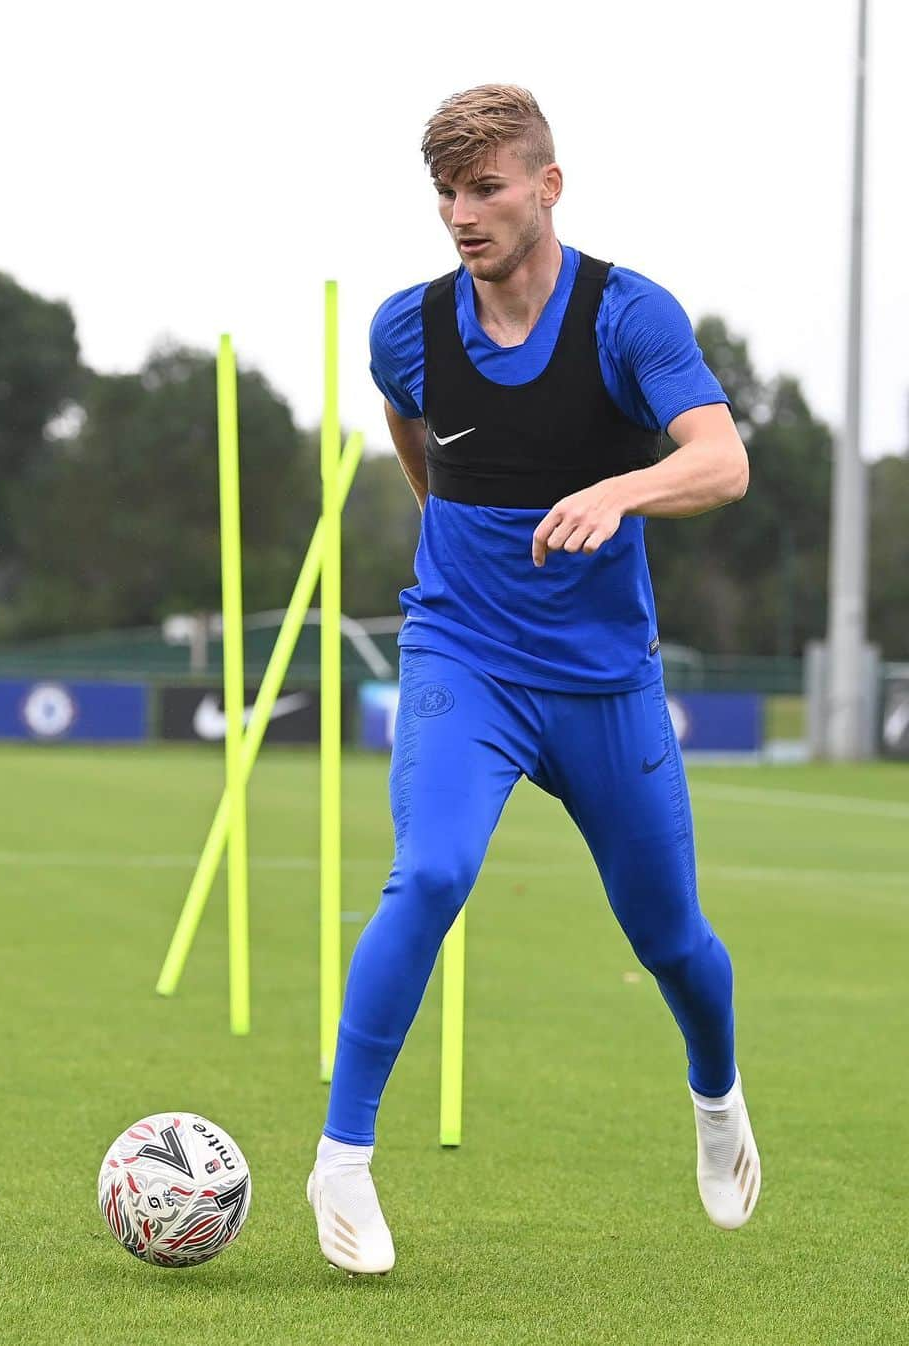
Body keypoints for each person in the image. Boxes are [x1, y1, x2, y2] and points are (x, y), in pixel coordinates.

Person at [307, 84, 760, 1275]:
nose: (463, 212)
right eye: (447, 192)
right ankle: (341, 1157)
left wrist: (621, 489)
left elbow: (721, 460)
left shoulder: (629, 316)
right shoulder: (406, 329)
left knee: (671, 939)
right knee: (434, 866)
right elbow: (418, 441)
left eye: (487, 186)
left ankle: (716, 1097)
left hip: (604, 682)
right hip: (465, 657)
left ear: (547, 186)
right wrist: (461, 570)